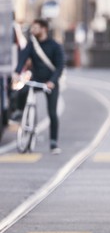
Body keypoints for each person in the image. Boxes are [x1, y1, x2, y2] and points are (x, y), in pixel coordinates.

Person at [13, 18, 65, 154]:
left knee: (52, 113)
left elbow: (60, 67)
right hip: (36, 79)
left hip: (50, 82)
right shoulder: (32, 44)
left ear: (44, 29)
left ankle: (53, 143)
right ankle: (19, 111)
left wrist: (52, 81)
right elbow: (22, 58)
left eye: (35, 28)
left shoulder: (55, 46)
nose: (32, 30)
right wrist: (17, 73)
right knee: (22, 89)